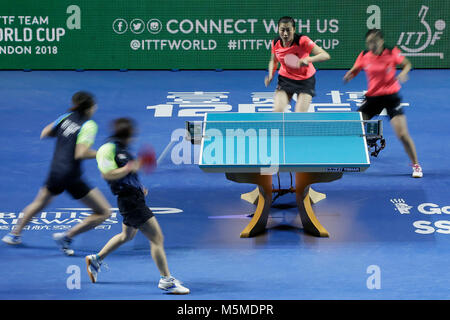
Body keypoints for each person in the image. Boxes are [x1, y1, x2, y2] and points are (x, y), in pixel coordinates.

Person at [85, 118, 189, 294]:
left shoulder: (123, 150)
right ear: (127, 135)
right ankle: (166, 281)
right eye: (132, 135)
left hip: (135, 197)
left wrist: (139, 188)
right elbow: (107, 175)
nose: (133, 138)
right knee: (157, 238)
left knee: (126, 236)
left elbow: (129, 175)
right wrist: (130, 168)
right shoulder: (108, 149)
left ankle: (96, 259)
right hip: (129, 202)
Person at [1, 91, 112, 254]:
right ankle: (66, 237)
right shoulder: (89, 125)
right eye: (94, 105)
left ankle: (14, 234)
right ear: (89, 108)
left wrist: (64, 134)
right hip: (71, 176)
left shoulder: (65, 117)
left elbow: (45, 133)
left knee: (39, 203)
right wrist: (103, 153)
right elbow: (81, 153)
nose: (95, 108)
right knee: (104, 212)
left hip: (56, 171)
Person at [343, 29, 422, 178]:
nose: (371, 45)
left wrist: (403, 73)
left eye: (374, 41)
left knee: (403, 134)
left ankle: (416, 165)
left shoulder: (392, 52)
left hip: (391, 98)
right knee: (354, 125)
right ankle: (352, 156)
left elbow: (407, 64)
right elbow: (356, 68)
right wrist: (350, 75)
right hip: (373, 98)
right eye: (369, 42)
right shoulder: (365, 55)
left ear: (381, 40)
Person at [264, 16, 331, 112]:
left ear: (294, 29)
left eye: (288, 30)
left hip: (305, 80)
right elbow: (273, 61)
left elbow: (325, 55)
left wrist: (308, 59)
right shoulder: (276, 42)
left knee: (299, 115)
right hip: (286, 79)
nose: (285, 34)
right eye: (282, 30)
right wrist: (271, 74)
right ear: (278, 29)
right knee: (278, 111)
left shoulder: (302, 40)